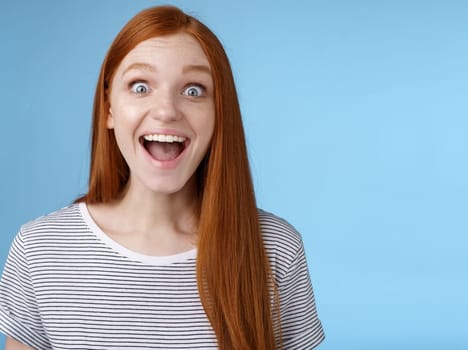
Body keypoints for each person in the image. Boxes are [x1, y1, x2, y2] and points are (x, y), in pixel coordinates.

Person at [0, 5, 324, 350]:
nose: (167, 110)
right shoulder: (40, 250)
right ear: (109, 108)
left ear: (219, 114)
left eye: (194, 90)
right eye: (140, 87)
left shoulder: (275, 249)